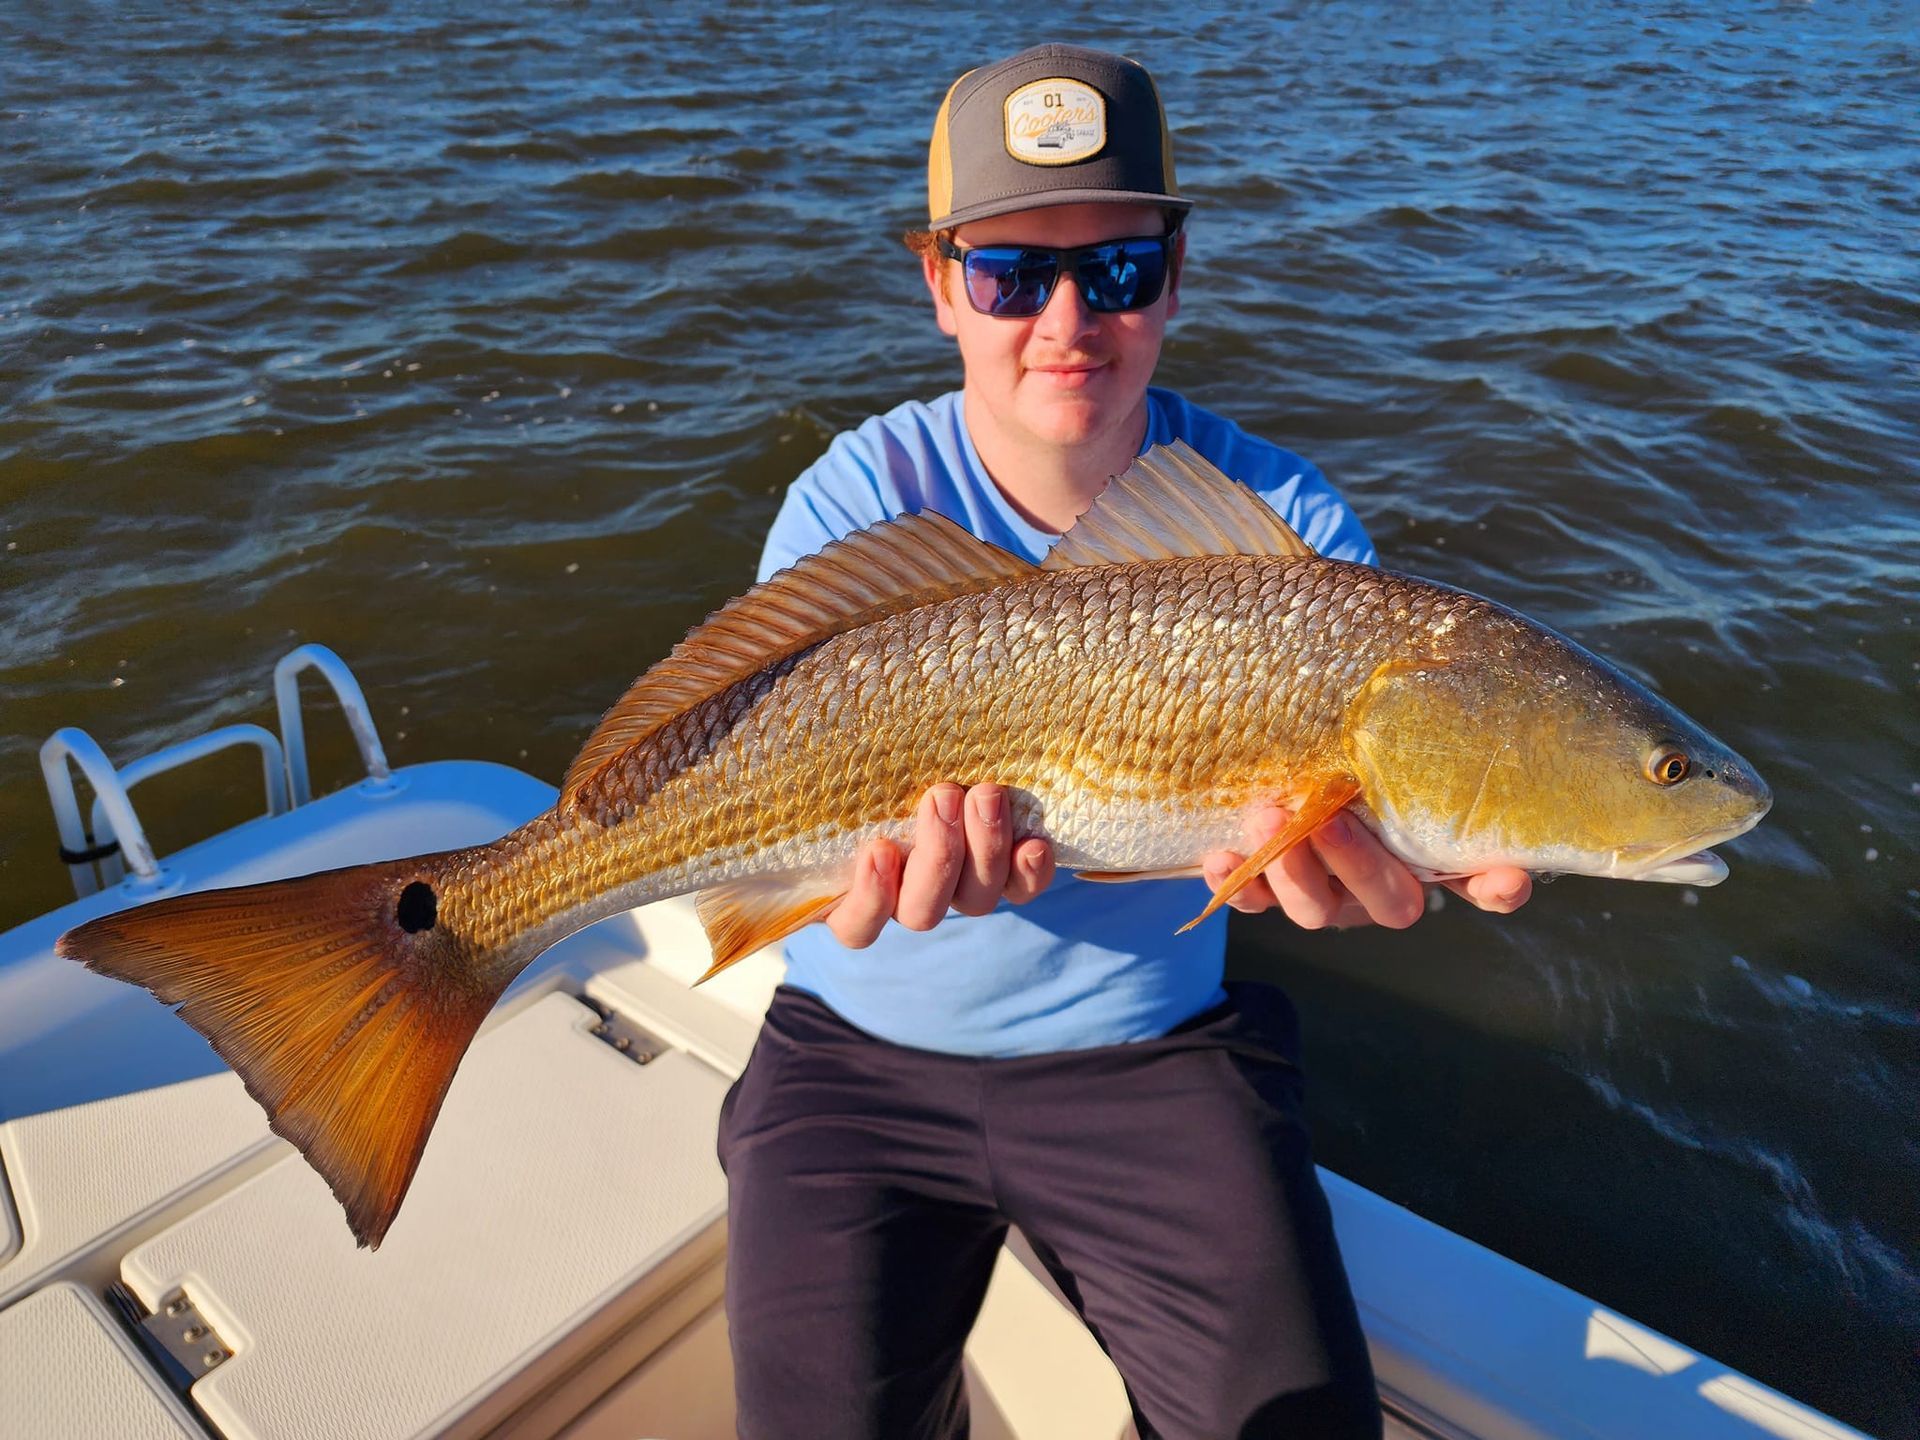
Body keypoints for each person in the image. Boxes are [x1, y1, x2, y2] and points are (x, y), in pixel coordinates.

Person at [718, 43, 1532, 1440]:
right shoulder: (854, 499)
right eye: (1011, 274)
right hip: (852, 1051)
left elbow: (1391, 809)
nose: (1065, 320)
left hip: (1149, 1048)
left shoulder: (1288, 528)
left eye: (1115, 269)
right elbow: (767, 803)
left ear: (1175, 272)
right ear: (940, 285)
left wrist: (1428, 863)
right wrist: (845, 885)